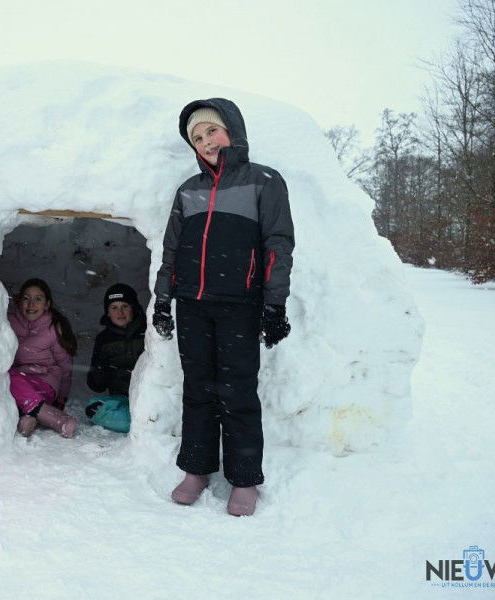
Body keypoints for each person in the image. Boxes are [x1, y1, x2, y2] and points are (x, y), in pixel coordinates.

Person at [152, 99, 294, 517]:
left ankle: (244, 477)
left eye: (211, 130)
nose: (206, 141)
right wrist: (163, 299)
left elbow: (277, 245)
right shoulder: (188, 190)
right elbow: (171, 249)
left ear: (232, 129)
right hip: (192, 304)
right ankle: (196, 469)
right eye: (197, 137)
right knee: (197, 387)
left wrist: (274, 304)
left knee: (237, 390)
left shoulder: (264, 182)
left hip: (240, 305)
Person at [7, 278, 78, 438]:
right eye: (26, 298)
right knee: (5, 385)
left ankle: (57, 419)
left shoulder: (53, 327)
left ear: (47, 304)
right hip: (18, 383)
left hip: (44, 383)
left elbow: (65, 367)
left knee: (7, 377)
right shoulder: (7, 322)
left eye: (38, 299)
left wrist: (61, 400)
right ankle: (28, 418)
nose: (31, 304)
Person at [84, 283, 146, 433]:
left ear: (134, 308)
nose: (120, 312)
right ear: (108, 312)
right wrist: (101, 367)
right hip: (121, 400)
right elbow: (96, 386)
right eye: (114, 307)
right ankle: (143, 424)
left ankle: (143, 422)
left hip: (148, 397)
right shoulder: (104, 339)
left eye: (125, 306)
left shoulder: (148, 332)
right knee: (93, 408)